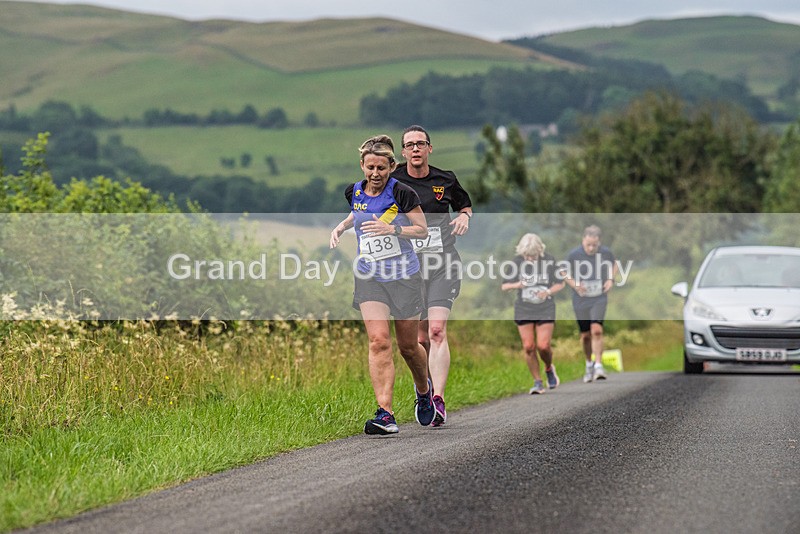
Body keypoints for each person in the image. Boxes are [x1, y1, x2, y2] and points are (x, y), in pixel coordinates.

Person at [329, 134, 436, 435]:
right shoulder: (354, 191)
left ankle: (424, 390)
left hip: (404, 277)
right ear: (361, 165)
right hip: (370, 275)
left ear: (391, 166)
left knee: (408, 347)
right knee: (378, 341)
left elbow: (422, 230)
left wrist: (392, 228)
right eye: (370, 168)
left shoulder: (402, 193)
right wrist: (342, 225)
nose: (375, 174)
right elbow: (359, 212)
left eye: (382, 168)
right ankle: (385, 413)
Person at [391, 125, 472, 427]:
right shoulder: (393, 180)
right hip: (410, 267)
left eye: (420, 144)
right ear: (403, 151)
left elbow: (464, 204)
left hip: (443, 263)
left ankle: (438, 398)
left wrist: (463, 216)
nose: (415, 149)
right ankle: (423, 389)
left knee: (437, 331)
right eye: (409, 145)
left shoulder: (445, 179)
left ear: (429, 148)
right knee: (420, 338)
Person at [501, 233, 565, 394]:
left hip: (545, 307)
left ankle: (549, 368)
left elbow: (560, 283)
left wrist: (548, 291)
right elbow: (505, 286)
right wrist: (518, 284)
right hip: (524, 308)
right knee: (529, 347)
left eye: (533, 255)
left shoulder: (549, 261)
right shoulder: (516, 263)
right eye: (527, 255)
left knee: (543, 346)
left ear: (539, 251)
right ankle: (537, 382)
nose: (530, 258)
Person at [561, 225, 618, 383]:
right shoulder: (574, 254)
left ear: (599, 242)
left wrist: (610, 280)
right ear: (583, 240)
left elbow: (615, 264)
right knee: (585, 335)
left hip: (599, 297)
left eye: (595, 245)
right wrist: (574, 284)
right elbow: (563, 271)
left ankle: (599, 365)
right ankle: (589, 364)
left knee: (597, 330)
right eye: (588, 245)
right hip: (581, 299)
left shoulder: (605, 252)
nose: (591, 248)